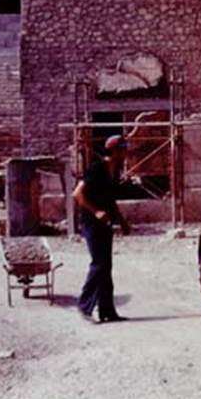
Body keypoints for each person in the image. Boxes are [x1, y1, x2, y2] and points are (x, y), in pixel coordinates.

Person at [73, 134, 132, 323]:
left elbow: (110, 200)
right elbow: (78, 194)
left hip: (105, 222)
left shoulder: (114, 171)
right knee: (99, 264)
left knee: (106, 266)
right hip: (91, 222)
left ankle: (107, 311)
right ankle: (84, 306)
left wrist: (121, 221)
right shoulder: (97, 168)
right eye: (122, 149)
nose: (125, 153)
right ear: (114, 151)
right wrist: (96, 211)